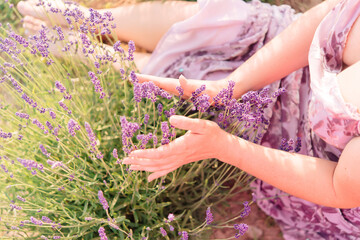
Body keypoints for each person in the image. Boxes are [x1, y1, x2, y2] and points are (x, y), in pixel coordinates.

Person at [17, 0, 360, 239]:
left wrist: (224, 146)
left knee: (190, 89)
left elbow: (337, 185)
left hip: (313, 158)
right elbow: (325, 20)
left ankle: (94, 53)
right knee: (231, 26)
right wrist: (231, 85)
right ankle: (85, 19)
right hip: (304, 62)